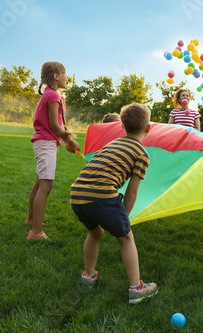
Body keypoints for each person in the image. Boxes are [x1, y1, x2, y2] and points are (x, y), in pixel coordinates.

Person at [70, 103, 158, 304]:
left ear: (122, 127)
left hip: (77, 193)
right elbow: (132, 192)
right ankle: (137, 289)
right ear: (148, 128)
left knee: (95, 232)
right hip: (102, 195)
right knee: (126, 238)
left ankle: (88, 276)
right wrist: (123, 220)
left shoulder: (111, 144)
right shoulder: (142, 153)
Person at [26, 61, 81, 240]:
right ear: (56, 76)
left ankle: (32, 220)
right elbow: (54, 125)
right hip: (45, 143)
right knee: (46, 186)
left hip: (45, 142)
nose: (67, 77)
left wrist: (63, 139)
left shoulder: (51, 94)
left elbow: (55, 126)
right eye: (65, 73)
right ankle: (35, 232)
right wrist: (70, 141)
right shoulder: (53, 96)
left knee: (39, 183)